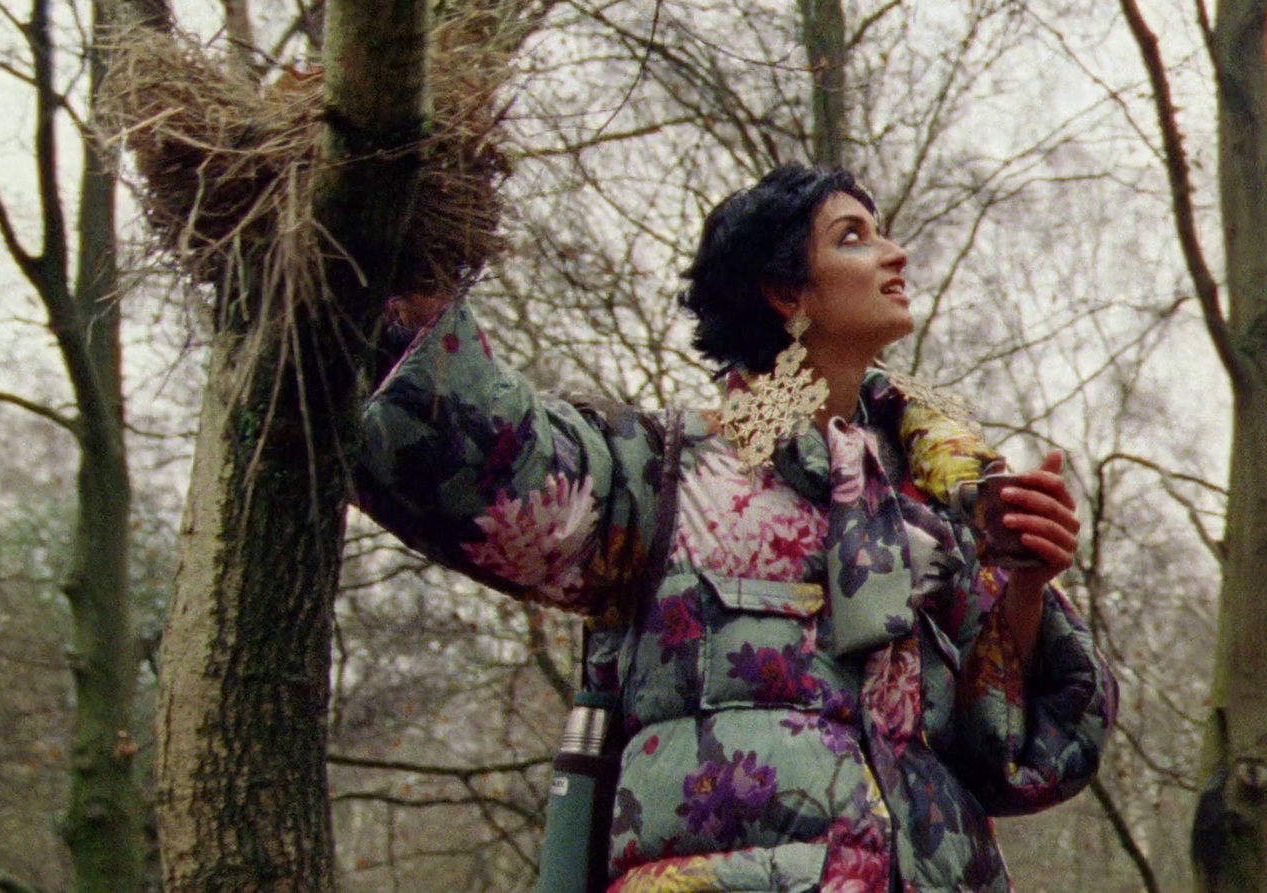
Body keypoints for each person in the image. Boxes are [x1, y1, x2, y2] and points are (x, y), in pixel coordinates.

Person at [355, 164, 1116, 892]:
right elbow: (487, 464)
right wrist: (400, 267)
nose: (896, 252)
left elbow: (1009, 756)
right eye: (853, 236)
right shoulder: (665, 475)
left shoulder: (933, 514)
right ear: (787, 292)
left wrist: (1026, 581)